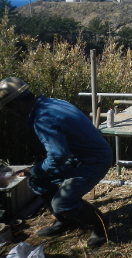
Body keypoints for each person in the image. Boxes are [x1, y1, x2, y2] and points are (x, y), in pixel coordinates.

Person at [0, 77, 112, 247]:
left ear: (15, 105)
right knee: (39, 181)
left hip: (94, 160)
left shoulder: (43, 118)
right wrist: (37, 173)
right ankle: (66, 221)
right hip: (78, 157)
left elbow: (58, 156)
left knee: (62, 202)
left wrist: (35, 170)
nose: (13, 114)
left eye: (9, 109)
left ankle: (101, 225)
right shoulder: (49, 103)